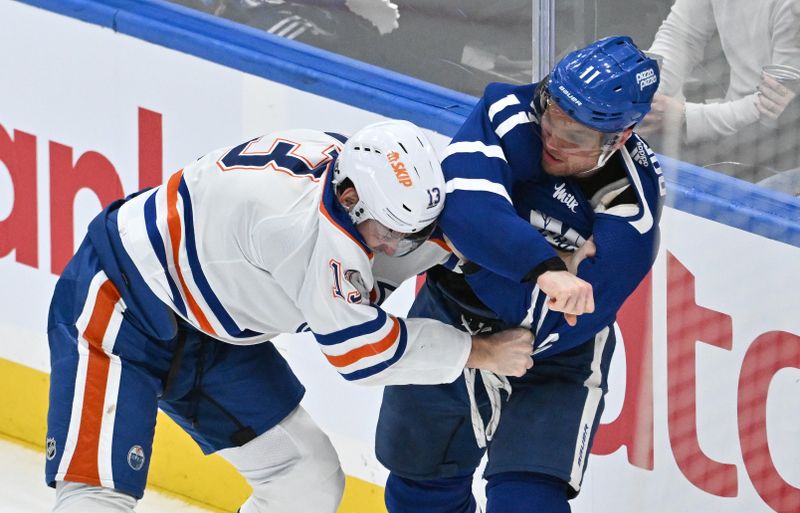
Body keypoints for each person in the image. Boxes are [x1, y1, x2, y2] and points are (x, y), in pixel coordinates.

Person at [44, 120, 538, 513]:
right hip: (121, 300)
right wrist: (481, 351)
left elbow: (434, 230)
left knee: (307, 482)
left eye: (407, 233)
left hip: (213, 330)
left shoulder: (372, 183)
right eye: (386, 232)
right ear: (348, 199)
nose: (392, 247)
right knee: (96, 496)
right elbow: (364, 354)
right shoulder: (309, 233)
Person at [375, 36, 665, 513]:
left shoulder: (634, 199)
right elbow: (465, 208)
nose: (552, 140)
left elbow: (560, 320)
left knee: (528, 501)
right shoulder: (510, 108)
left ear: (620, 137)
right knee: (418, 489)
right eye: (553, 118)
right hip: (451, 315)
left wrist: (473, 255)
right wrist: (551, 269)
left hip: (557, 358)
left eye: (575, 137)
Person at [639, 0, 800, 178]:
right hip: (731, 133)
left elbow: (778, 107)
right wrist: (647, 89)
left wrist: (685, 117)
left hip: (783, 150)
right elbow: (681, 35)